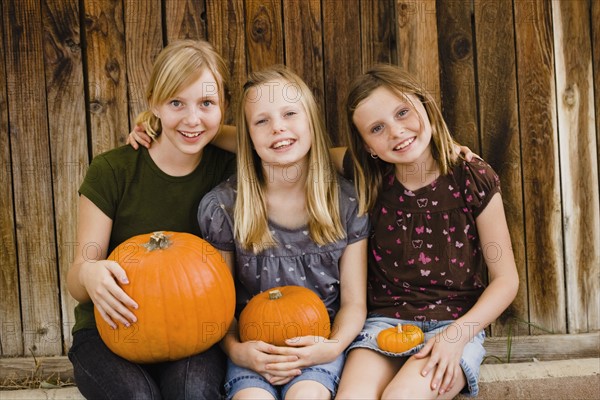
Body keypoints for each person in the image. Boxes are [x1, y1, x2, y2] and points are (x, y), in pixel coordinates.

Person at [333, 64, 519, 400]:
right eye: (377, 128)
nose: (396, 131)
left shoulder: (471, 179)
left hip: (454, 324)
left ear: (425, 106)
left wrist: (456, 337)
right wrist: (220, 133)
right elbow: (306, 150)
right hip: (384, 322)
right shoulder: (370, 176)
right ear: (367, 145)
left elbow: (506, 280)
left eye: (403, 112)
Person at [66, 39, 236, 399]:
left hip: (195, 331)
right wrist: (89, 273)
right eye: (176, 102)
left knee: (191, 393)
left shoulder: (230, 169)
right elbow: (78, 275)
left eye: (207, 103)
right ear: (153, 103)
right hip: (110, 329)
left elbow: (272, 139)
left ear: (223, 108)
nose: (192, 119)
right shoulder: (113, 170)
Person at [196, 65, 369, 400]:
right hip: (252, 351)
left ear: (311, 123)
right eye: (262, 121)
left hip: (320, 346)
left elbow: (354, 302)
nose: (278, 128)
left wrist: (331, 347)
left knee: (306, 395)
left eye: (290, 113)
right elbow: (218, 306)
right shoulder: (225, 208)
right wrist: (236, 351)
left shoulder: (346, 202)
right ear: (247, 136)